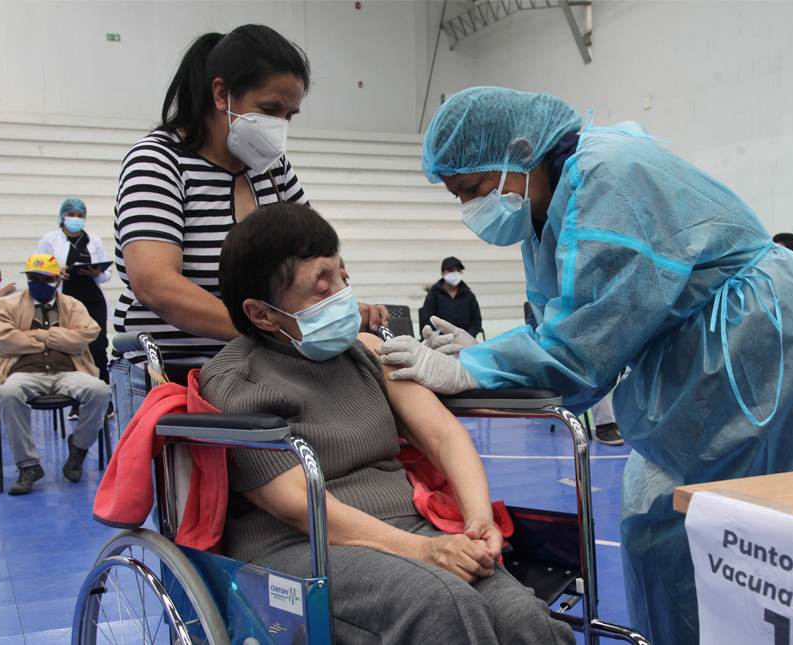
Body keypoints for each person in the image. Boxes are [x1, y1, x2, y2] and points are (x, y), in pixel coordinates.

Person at [376, 87, 793, 644]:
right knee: (665, 523)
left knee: (774, 528)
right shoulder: (548, 204)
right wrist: (483, 352)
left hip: (750, 351)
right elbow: (562, 318)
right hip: (693, 360)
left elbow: (585, 344)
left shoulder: (608, 180)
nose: (469, 210)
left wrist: (473, 368)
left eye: (475, 189)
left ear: (521, 150)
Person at [200, 203, 574, 645]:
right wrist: (425, 549)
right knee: (441, 606)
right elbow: (294, 501)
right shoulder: (235, 379)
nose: (343, 295)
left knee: (523, 620)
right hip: (299, 547)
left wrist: (477, 521)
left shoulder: (368, 354)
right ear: (261, 314)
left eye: (343, 276)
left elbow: (442, 434)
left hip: (406, 525)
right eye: (322, 291)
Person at [111, 24, 387, 427]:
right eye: (270, 109)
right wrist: (279, 330)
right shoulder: (158, 161)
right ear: (222, 94)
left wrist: (334, 313)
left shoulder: (273, 171)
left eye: (288, 114)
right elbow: (154, 284)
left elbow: (320, 259)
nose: (280, 125)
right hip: (177, 374)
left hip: (263, 369)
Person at [0, 254, 111, 496]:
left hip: (67, 371)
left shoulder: (73, 305)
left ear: (57, 280)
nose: (38, 282)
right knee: (7, 393)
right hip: (24, 372)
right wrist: (61, 337)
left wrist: (38, 335)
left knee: (100, 390)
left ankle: (78, 448)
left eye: (45, 278)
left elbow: (85, 338)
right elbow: (6, 341)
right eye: (33, 277)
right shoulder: (4, 305)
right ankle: (28, 466)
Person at [38, 198, 114, 419]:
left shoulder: (94, 241)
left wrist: (96, 273)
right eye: (72, 214)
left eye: (80, 215)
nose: (76, 219)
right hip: (65, 299)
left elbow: (106, 274)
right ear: (63, 216)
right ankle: (76, 402)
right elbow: (37, 267)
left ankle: (104, 401)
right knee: (71, 348)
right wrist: (54, 273)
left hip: (91, 298)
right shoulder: (50, 240)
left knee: (98, 348)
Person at [524, 303, 622, 445]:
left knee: (603, 368)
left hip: (578, 353)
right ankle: (605, 425)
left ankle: (616, 422)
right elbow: (535, 331)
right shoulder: (540, 310)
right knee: (594, 376)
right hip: (555, 358)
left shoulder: (574, 306)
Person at [419, 256, 483, 339]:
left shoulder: (468, 295)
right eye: (451, 270)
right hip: (440, 342)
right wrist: (445, 338)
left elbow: (476, 322)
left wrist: (466, 337)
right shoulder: (433, 295)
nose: (455, 274)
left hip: (466, 341)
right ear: (442, 273)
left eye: (458, 271)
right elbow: (428, 322)